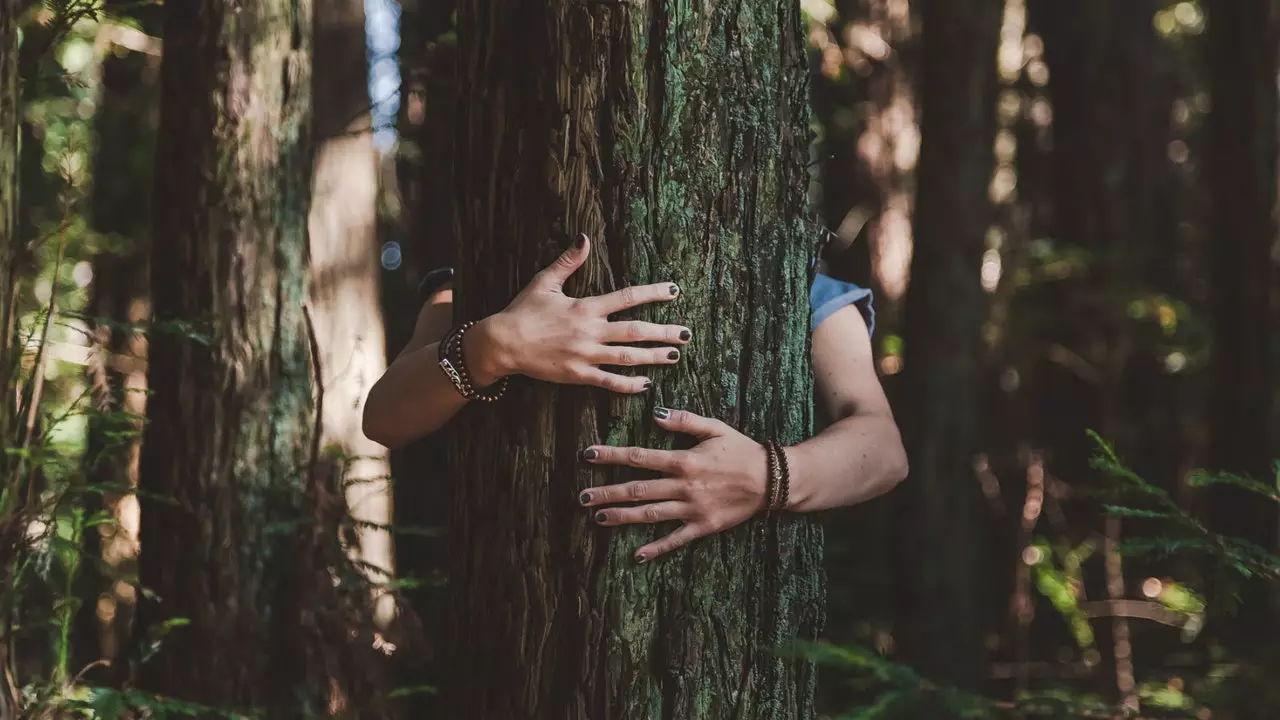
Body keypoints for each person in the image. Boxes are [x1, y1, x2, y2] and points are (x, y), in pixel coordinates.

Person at [363, 233, 907, 563]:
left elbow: (882, 448)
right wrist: (495, 344)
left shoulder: (800, 289)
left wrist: (769, 476)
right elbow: (385, 417)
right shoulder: (480, 277)